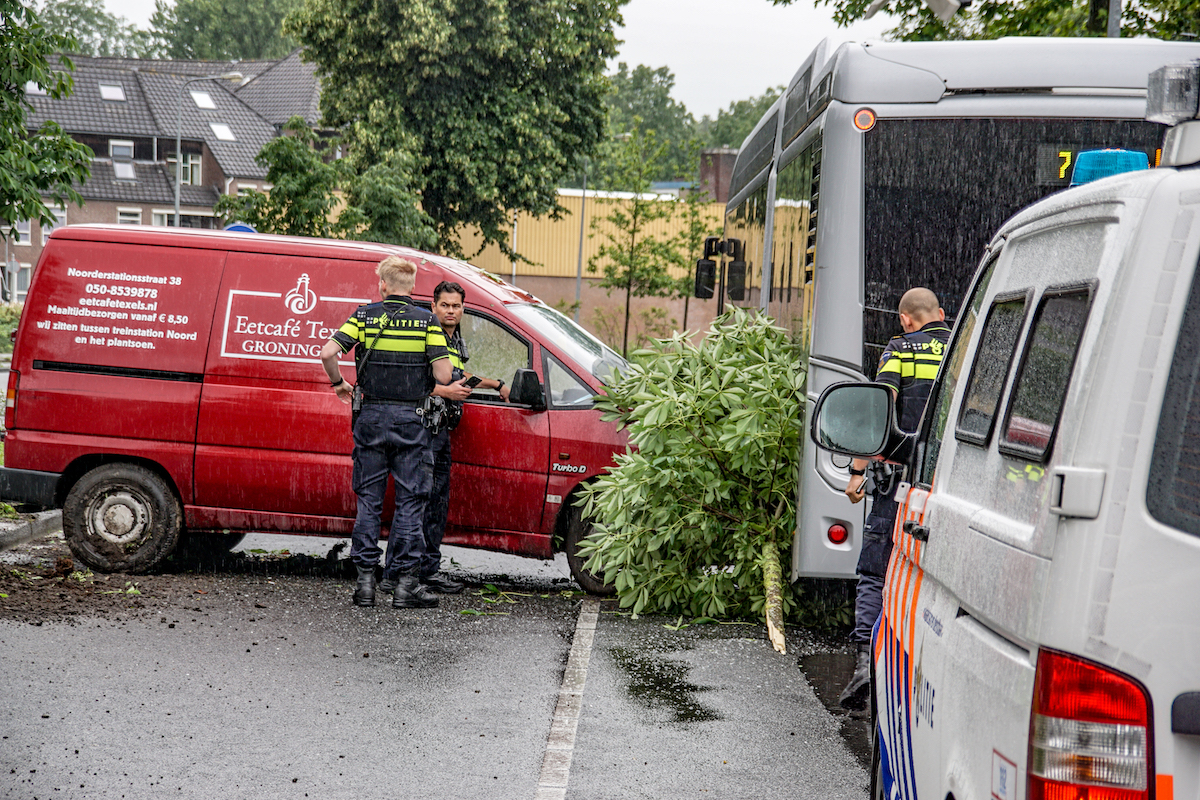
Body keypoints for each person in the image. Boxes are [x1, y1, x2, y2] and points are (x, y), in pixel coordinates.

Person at [838, 287, 951, 710]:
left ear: (906, 319)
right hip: (950, 483)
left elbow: (879, 413)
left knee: (876, 570)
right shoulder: (965, 345)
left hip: (902, 482)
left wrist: (857, 472)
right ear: (940, 314)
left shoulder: (900, 348)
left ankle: (868, 664)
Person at [320, 256, 452, 610]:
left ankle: (365, 584)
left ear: (382, 284)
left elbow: (328, 352)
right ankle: (405, 586)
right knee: (411, 501)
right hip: (411, 420)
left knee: (369, 500)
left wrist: (338, 383)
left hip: (371, 417)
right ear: (411, 287)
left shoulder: (363, 316)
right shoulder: (427, 321)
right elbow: (442, 376)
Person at [379, 280, 512, 596]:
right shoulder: (424, 334)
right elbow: (406, 380)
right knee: (414, 503)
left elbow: (459, 378)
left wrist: (496, 384)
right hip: (420, 430)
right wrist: (443, 391)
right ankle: (393, 574)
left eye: (456, 306)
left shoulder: (454, 338)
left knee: (436, 504)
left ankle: (427, 570)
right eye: (445, 305)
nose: (451, 310)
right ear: (434, 306)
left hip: (441, 431)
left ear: (463, 309)